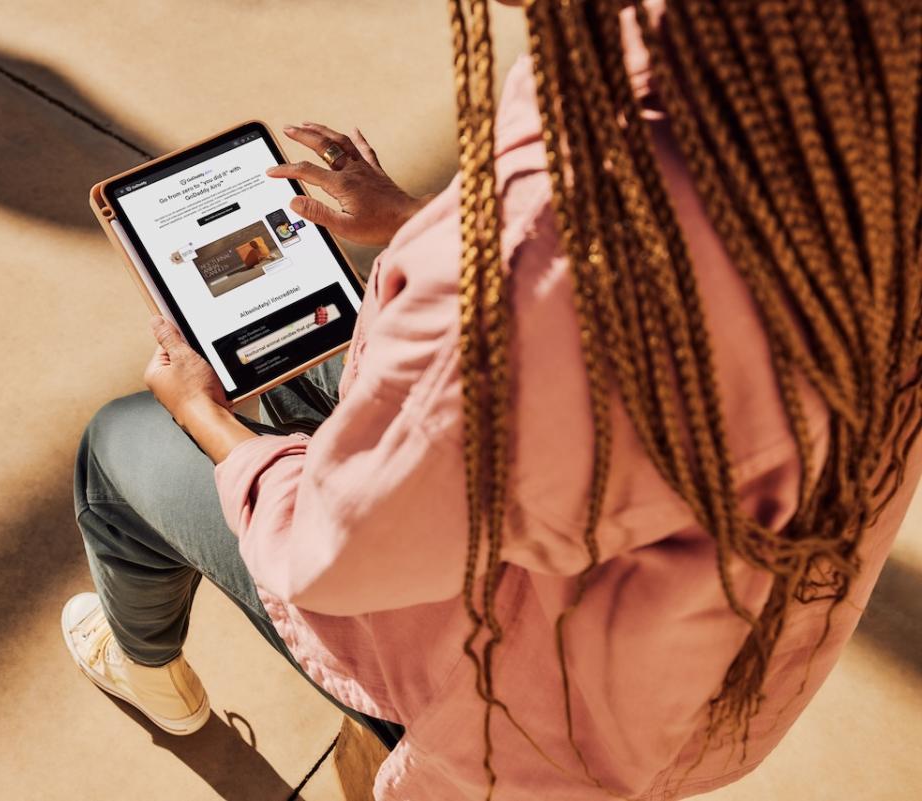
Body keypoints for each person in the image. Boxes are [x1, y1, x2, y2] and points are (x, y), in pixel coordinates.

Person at [63, 1, 922, 798]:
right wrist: (419, 223)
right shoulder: (850, 95)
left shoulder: (559, 226)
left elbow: (331, 552)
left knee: (120, 442)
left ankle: (150, 672)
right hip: (715, 674)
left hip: (514, 716)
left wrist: (206, 418)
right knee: (319, 366)